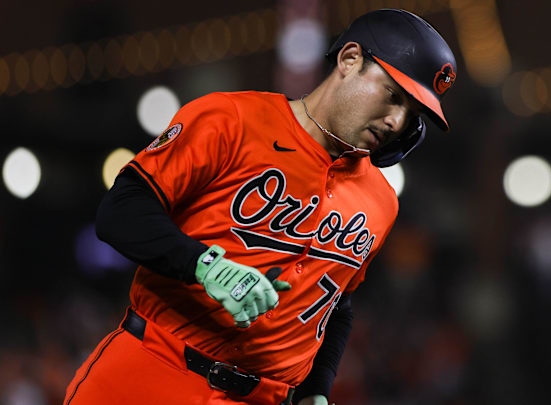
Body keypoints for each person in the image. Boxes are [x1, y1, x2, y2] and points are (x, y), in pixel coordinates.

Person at [64, 8, 456, 405]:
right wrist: (204, 265)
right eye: (393, 95)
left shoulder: (382, 201)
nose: (397, 121)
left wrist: (316, 390)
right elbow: (121, 210)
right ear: (349, 59)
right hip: (151, 372)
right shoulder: (231, 119)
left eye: (412, 113)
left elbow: (338, 305)